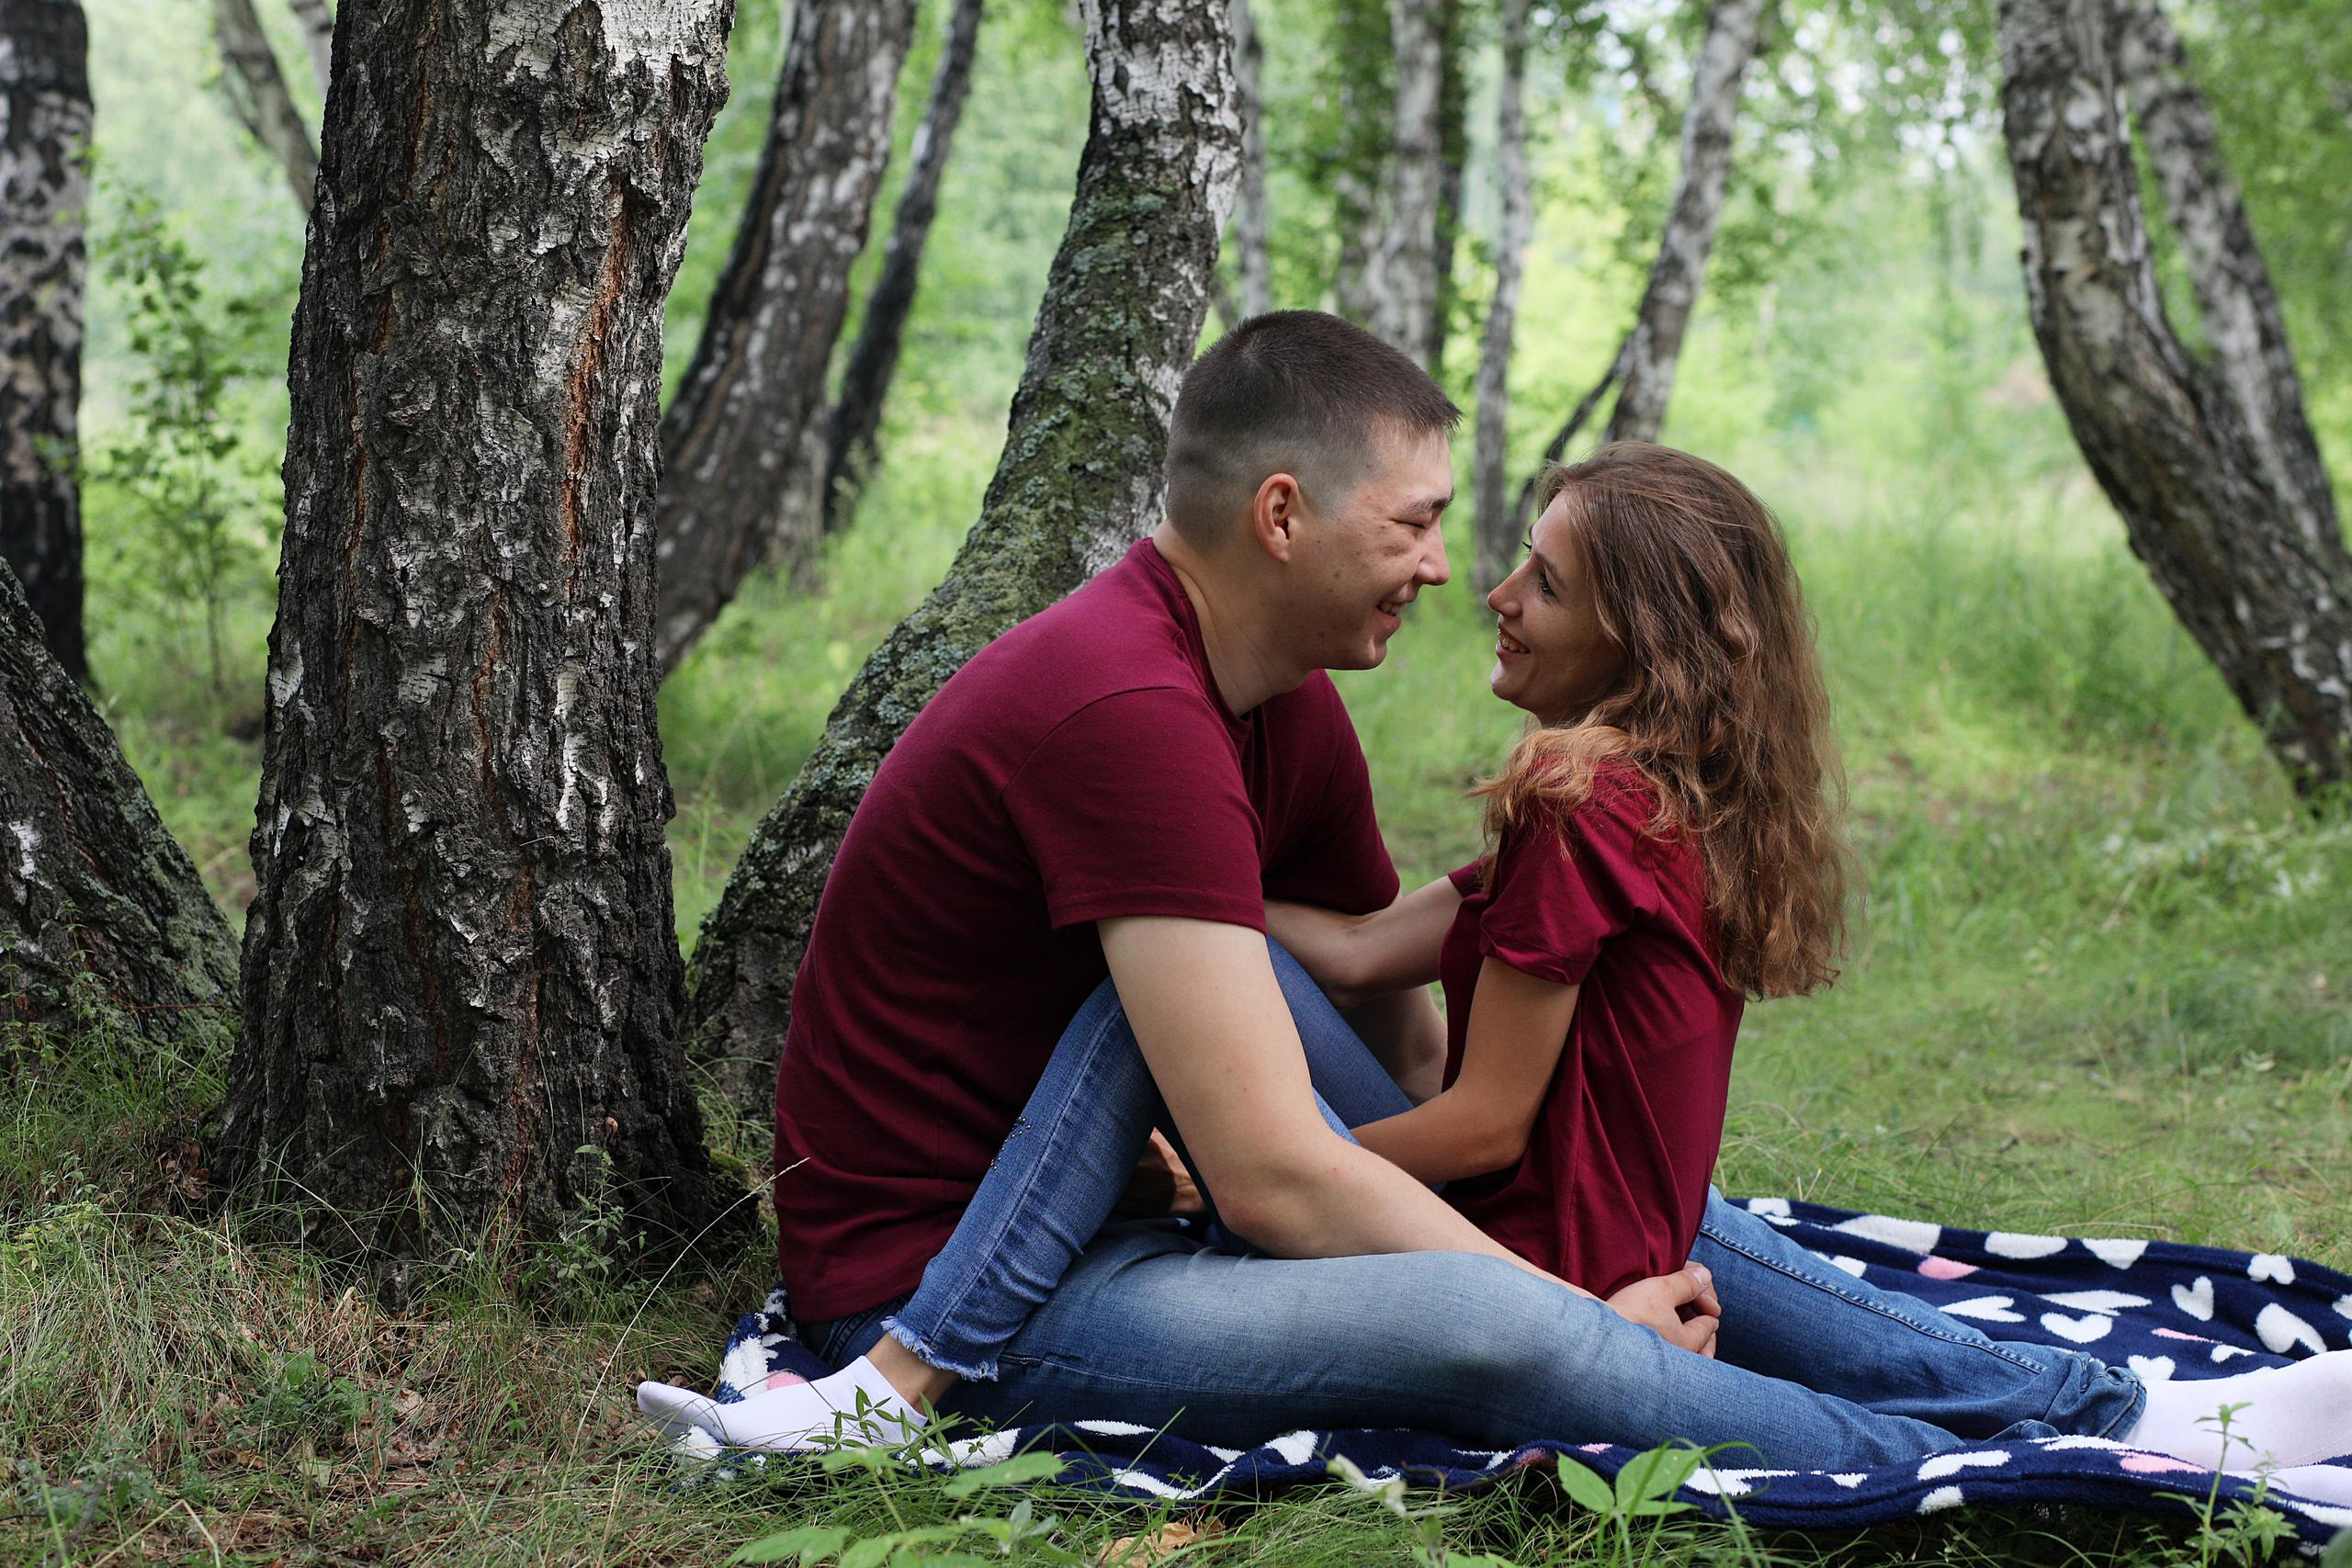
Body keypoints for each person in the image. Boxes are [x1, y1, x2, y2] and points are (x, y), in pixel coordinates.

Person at [641, 315, 2352, 1492]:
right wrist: (1568, 1309)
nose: (1451, 572)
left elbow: (1398, 1038)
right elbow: (1276, 1174)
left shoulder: (1281, 704)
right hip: (968, 1280)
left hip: (1145, 1201)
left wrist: (1562, 1220)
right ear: (1284, 514)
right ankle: (2079, 1469)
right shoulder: (1128, 714)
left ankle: (2127, 1402)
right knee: (1491, 1331)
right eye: (1419, 524)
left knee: (1647, 1206)